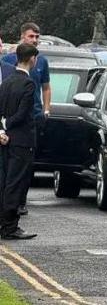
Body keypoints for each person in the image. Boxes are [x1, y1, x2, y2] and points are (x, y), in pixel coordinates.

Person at [2, 23, 50, 216]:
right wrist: (5, 123)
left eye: (37, 37)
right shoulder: (9, 63)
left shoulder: (42, 62)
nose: (35, 40)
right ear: (22, 37)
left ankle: (19, 201)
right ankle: (9, 207)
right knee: (12, 167)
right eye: (31, 36)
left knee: (26, 165)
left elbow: (46, 87)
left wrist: (46, 109)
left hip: (34, 117)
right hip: (15, 121)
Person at [0, 43, 39, 240]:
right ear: (32, 58)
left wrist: (2, 128)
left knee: (6, 181)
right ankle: (10, 226)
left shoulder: (6, 82)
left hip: (6, 140)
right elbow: (23, 114)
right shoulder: (28, 84)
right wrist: (7, 123)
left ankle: (4, 223)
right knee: (17, 183)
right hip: (22, 140)